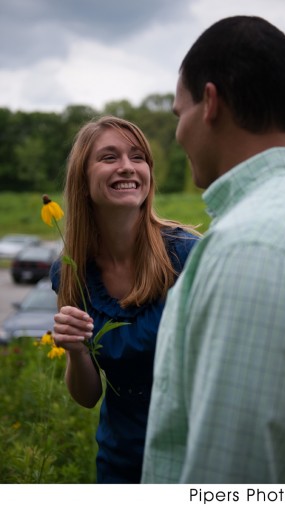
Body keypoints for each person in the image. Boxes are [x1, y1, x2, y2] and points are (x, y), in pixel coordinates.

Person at [141, 15, 285, 483]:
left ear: (211, 102)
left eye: (180, 112)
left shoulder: (252, 248)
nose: (179, 133)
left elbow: (231, 480)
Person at [50, 116, 200, 483]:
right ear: (83, 181)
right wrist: (75, 350)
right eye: (109, 157)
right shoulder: (70, 272)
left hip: (191, 461)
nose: (127, 167)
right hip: (119, 464)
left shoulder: (187, 256)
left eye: (137, 157)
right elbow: (87, 396)